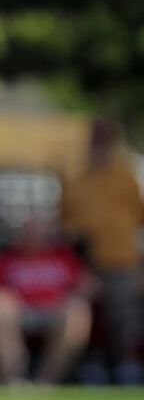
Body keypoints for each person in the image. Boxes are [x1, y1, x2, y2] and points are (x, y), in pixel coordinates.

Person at [60, 119, 144, 384]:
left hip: (120, 259)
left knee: (122, 315)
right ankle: (89, 366)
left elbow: (139, 218)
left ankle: (126, 365)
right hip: (84, 262)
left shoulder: (125, 175)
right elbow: (64, 219)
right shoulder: (75, 177)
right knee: (82, 315)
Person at [0, 217, 92, 384]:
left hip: (55, 310)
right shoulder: (7, 258)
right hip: (19, 310)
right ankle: (14, 379)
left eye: (39, 233)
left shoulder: (64, 257)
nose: (34, 237)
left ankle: (47, 380)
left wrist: (72, 296)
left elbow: (87, 285)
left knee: (78, 310)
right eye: (29, 233)